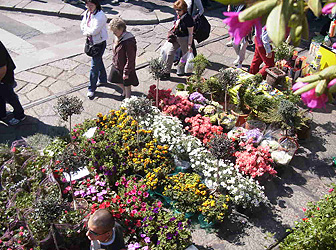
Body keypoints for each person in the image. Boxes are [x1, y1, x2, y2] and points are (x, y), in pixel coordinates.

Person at [81, 0, 108, 98]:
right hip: (91, 42)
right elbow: (82, 25)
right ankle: (103, 79)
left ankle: (91, 88)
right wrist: (87, 31)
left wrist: (86, 31)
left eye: (91, 5)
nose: (89, 7)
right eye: (87, 4)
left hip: (99, 43)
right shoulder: (87, 12)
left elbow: (95, 30)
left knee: (94, 66)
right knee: (98, 61)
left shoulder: (100, 16)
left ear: (96, 4)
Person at [161, 0, 194, 80]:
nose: (177, 12)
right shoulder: (178, 16)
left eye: (179, 10)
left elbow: (190, 33)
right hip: (176, 38)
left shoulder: (188, 18)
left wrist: (189, 44)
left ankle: (181, 70)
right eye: (176, 9)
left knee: (184, 57)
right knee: (170, 53)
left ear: (184, 9)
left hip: (184, 39)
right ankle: (166, 72)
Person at [108, 17, 139, 99]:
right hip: (117, 64)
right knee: (112, 79)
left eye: (115, 31)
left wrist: (126, 71)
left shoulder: (128, 41)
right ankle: (124, 91)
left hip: (125, 66)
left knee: (127, 83)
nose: (114, 33)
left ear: (121, 29)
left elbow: (130, 58)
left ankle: (127, 99)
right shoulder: (117, 36)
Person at [0, 41, 26, 126]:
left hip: (4, 77)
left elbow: (3, 68)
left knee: (10, 97)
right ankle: (2, 114)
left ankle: (19, 115)